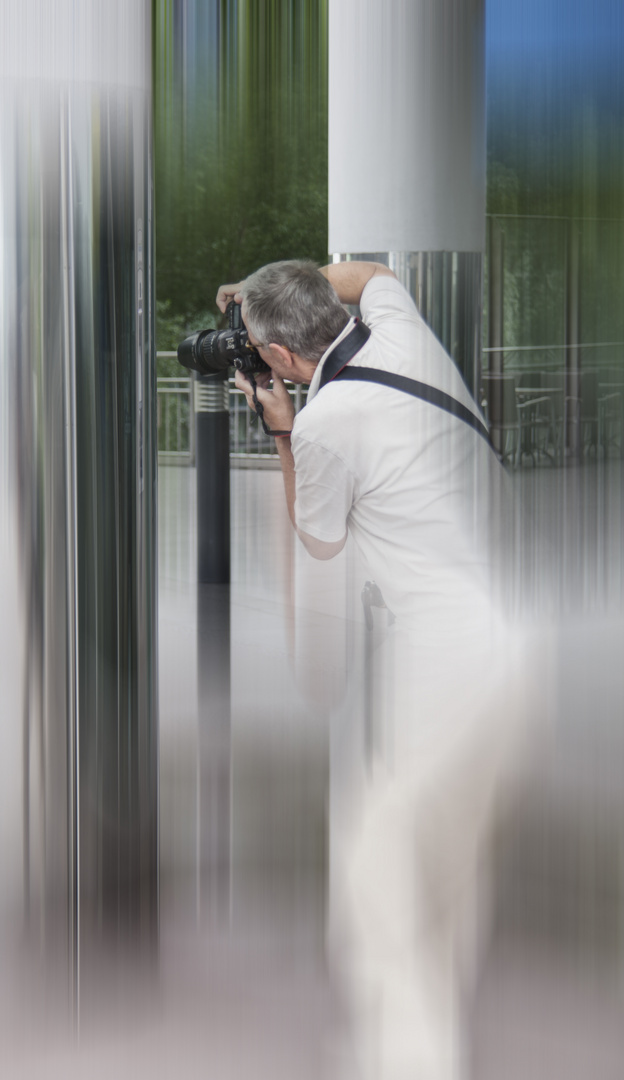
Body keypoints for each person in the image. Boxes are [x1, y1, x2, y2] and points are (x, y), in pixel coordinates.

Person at [216, 260, 535, 1080]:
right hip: (522, 648)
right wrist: (267, 287)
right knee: (448, 879)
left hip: (450, 665)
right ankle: (412, 1045)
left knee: (375, 871)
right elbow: (375, 273)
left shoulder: (329, 422)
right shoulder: (401, 328)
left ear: (283, 363)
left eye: (256, 347)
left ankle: (409, 1062)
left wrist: (283, 430)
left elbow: (319, 541)